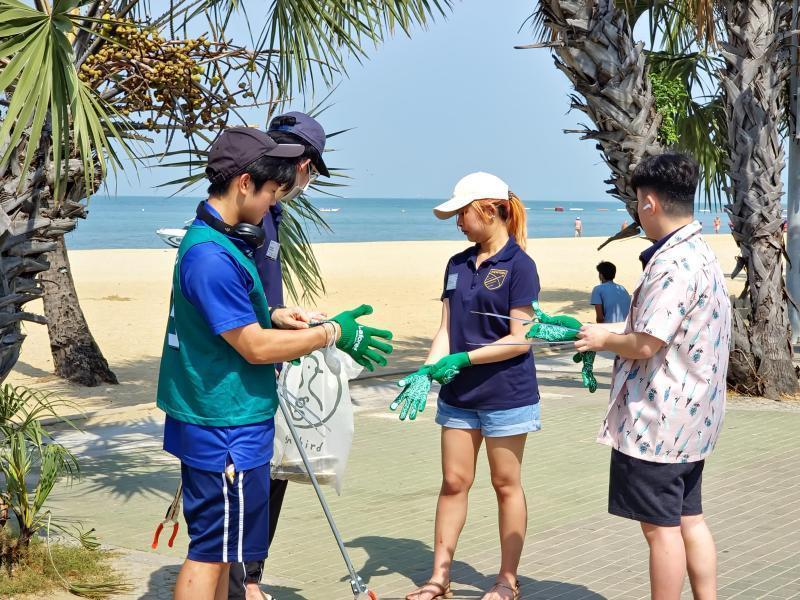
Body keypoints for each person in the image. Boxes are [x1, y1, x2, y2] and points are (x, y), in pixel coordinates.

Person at [156, 126, 394, 600]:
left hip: (225, 417)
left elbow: (235, 323)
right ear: (244, 183)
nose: (272, 207)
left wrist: (279, 315)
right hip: (224, 423)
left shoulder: (222, 244)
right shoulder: (210, 257)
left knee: (221, 551)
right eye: (270, 193)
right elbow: (254, 348)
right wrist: (331, 333)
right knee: (210, 553)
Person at [575, 153, 731, 600]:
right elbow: (659, 329)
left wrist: (601, 340)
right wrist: (603, 332)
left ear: (649, 203)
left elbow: (646, 344)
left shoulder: (671, 263)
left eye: (636, 202)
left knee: (661, 532)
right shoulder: (700, 252)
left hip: (660, 419)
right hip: (694, 417)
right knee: (689, 520)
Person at [396, 172, 540, 600]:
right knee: (454, 483)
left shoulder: (520, 266)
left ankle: (506, 581)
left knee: (505, 484)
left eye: (463, 212)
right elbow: (445, 330)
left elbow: (520, 339)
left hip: (506, 395)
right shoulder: (456, 265)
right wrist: (425, 370)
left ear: (490, 210)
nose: (458, 221)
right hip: (459, 397)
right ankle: (439, 578)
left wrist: (465, 358)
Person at [227, 112, 330, 600]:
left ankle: (249, 577)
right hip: (244, 370)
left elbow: (256, 295)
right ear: (302, 163)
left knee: (272, 474)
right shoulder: (248, 213)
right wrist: (325, 335)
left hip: (271, 357)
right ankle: (243, 581)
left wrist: (280, 313)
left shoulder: (271, 213)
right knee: (251, 481)